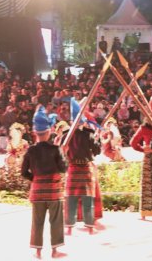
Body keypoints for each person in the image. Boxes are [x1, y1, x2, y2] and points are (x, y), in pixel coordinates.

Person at [21, 107, 67, 259]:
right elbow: (63, 168)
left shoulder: (30, 151)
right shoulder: (55, 149)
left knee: (37, 221)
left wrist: (34, 179)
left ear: (35, 133)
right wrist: (63, 155)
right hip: (53, 190)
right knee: (56, 221)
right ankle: (54, 251)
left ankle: (38, 251)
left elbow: (23, 172)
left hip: (37, 191)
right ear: (48, 132)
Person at [62, 99, 101, 235]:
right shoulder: (87, 134)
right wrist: (97, 139)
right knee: (87, 199)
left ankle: (69, 228)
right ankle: (89, 227)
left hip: (73, 167)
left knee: (71, 198)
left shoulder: (66, 135)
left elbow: (62, 151)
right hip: (85, 168)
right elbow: (97, 151)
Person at [130, 118, 152, 219]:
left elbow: (133, 143)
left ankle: (145, 213)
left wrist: (144, 149)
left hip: (149, 156)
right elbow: (133, 143)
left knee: (147, 184)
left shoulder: (144, 128)